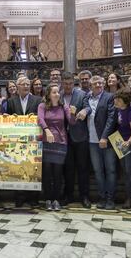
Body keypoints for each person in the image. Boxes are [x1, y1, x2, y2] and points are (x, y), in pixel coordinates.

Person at [38, 83, 76, 211]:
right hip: (47, 141)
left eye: (58, 92)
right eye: (54, 92)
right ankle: (48, 199)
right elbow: (40, 119)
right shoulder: (42, 106)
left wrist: (73, 113)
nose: (57, 94)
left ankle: (56, 199)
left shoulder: (63, 106)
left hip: (60, 142)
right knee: (47, 172)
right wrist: (47, 130)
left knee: (58, 173)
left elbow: (71, 121)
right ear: (48, 94)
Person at [7, 76, 42, 207]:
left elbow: (43, 118)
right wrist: (8, 118)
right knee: (18, 168)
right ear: (17, 86)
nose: (26, 86)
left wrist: (36, 118)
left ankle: (33, 198)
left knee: (33, 169)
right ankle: (19, 197)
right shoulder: (11, 101)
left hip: (33, 140)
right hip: (17, 141)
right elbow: (8, 118)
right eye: (23, 84)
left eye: (28, 84)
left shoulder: (38, 100)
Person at [60, 72, 91, 208]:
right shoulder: (57, 95)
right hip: (63, 138)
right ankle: (69, 195)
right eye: (65, 84)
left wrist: (85, 111)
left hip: (80, 136)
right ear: (62, 83)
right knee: (68, 169)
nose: (68, 86)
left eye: (70, 83)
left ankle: (84, 196)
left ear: (74, 83)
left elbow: (89, 107)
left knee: (83, 168)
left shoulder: (81, 94)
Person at [86, 76, 118, 210]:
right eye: (95, 83)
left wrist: (104, 137)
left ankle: (110, 199)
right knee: (98, 171)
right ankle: (102, 197)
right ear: (90, 86)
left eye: (100, 83)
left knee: (110, 170)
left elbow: (112, 118)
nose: (98, 85)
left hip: (107, 141)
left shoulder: (109, 97)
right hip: (92, 141)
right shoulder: (87, 98)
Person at [113, 89, 131, 211]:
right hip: (119, 142)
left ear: (125, 101)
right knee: (124, 171)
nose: (116, 102)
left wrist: (128, 143)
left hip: (129, 143)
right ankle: (128, 198)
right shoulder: (119, 110)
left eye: (118, 100)